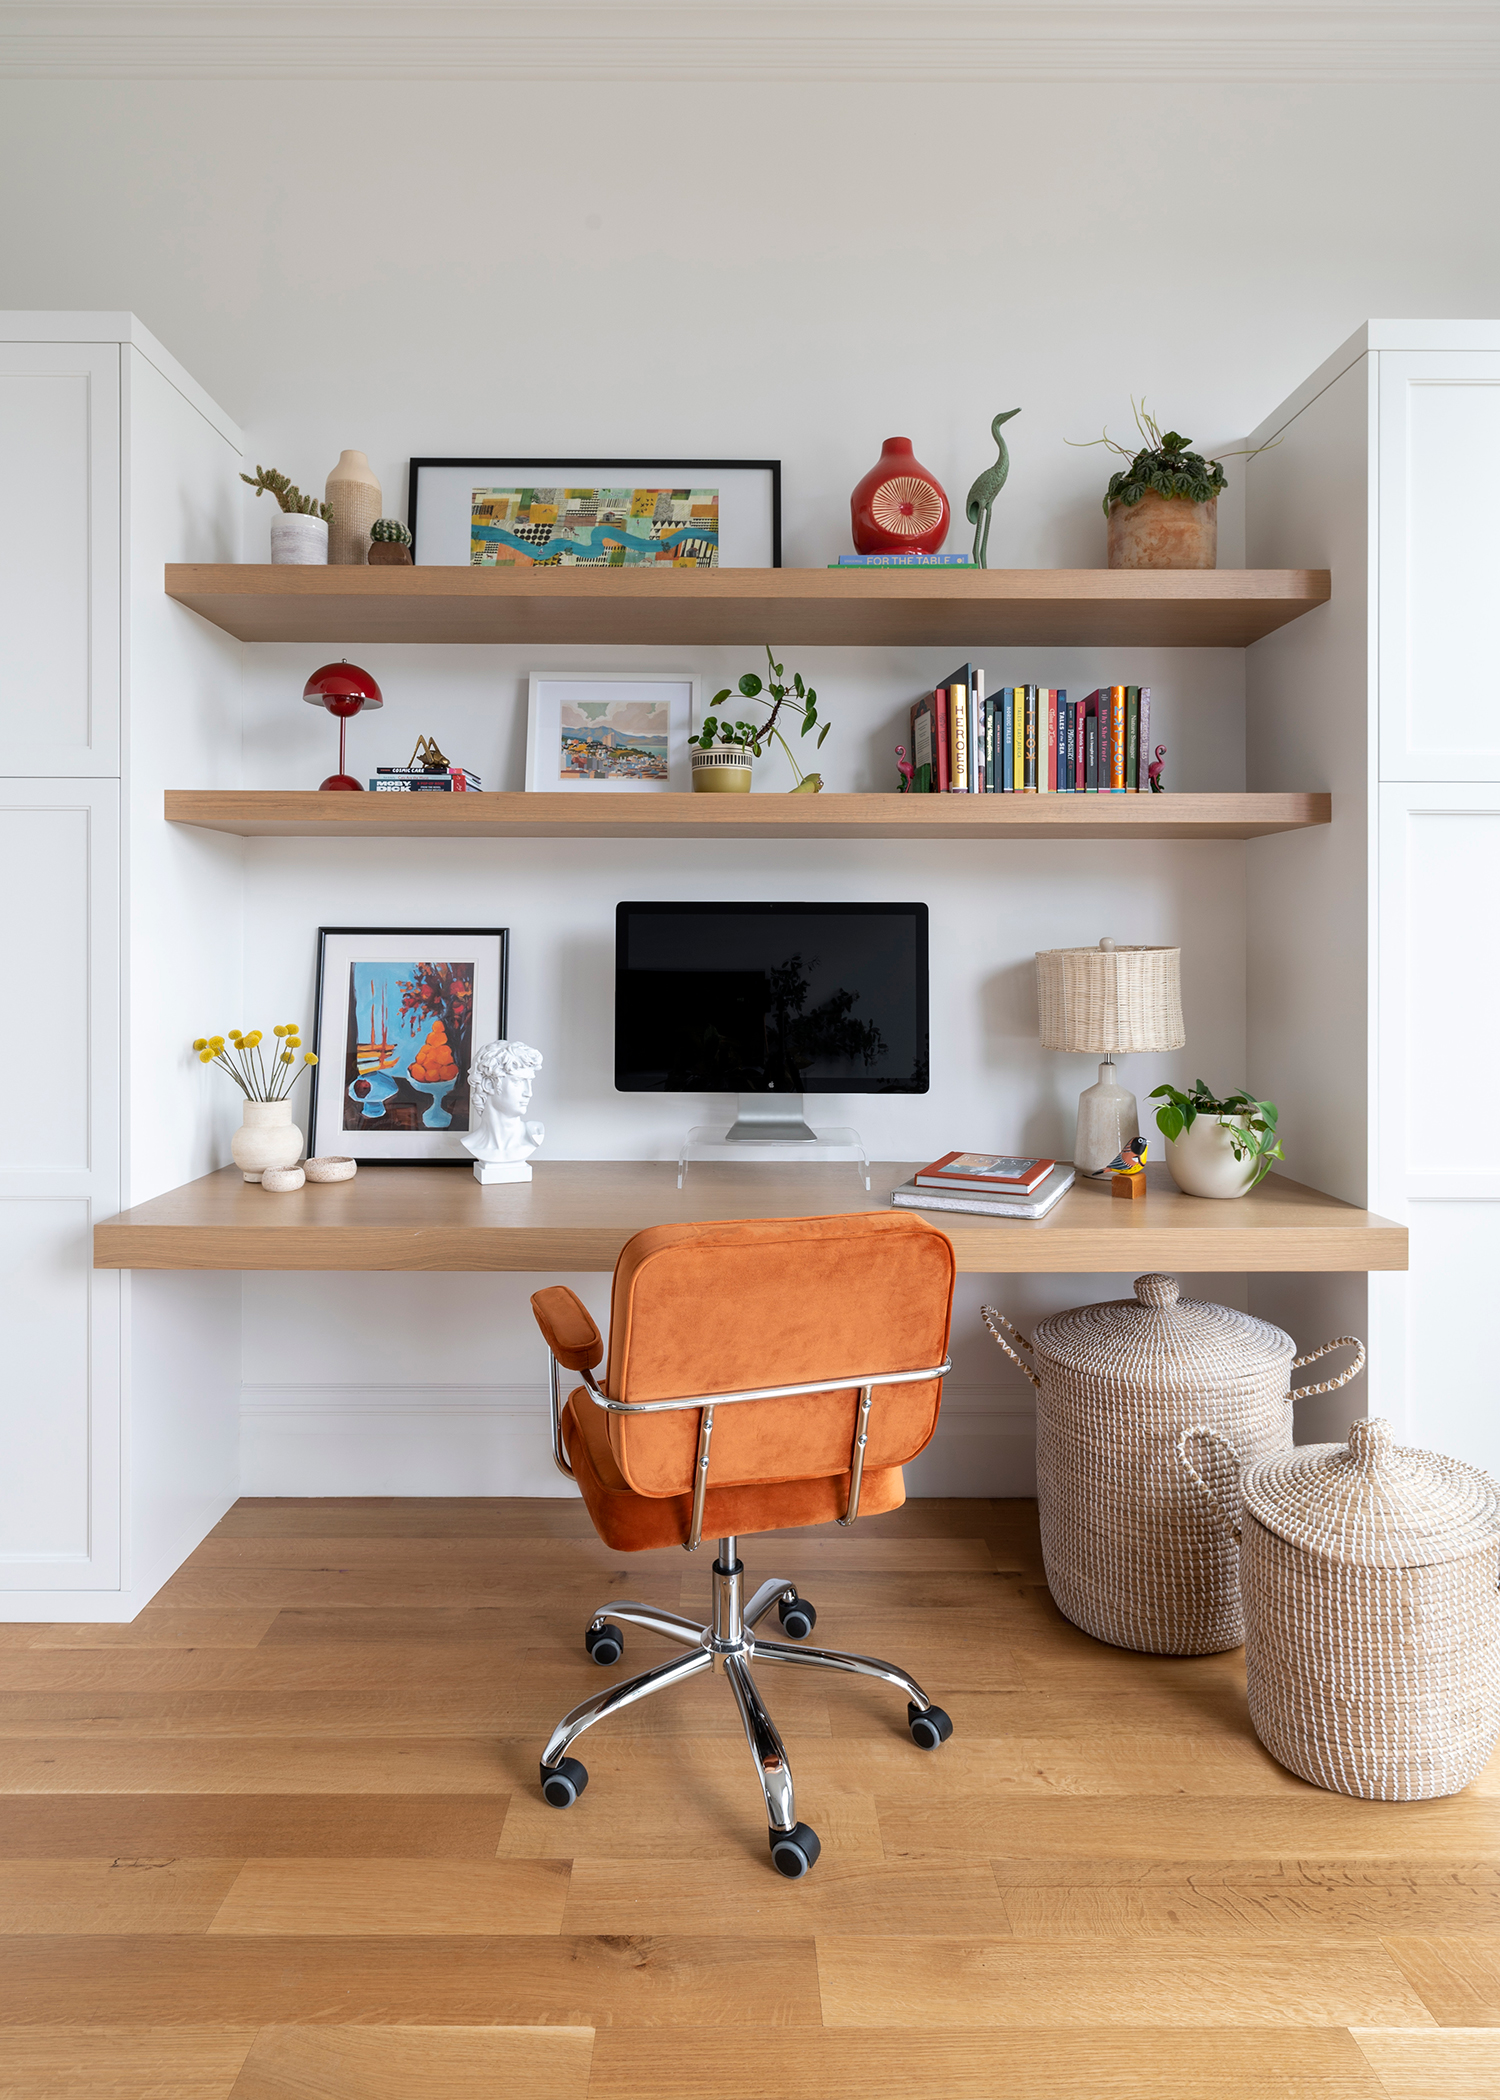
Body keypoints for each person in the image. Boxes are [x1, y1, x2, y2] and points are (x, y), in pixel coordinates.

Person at [462, 1038, 544, 1182]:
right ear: (489, 1085)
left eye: (529, 1082)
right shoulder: (472, 1144)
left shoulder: (533, 1136)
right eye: (518, 1081)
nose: (529, 1092)